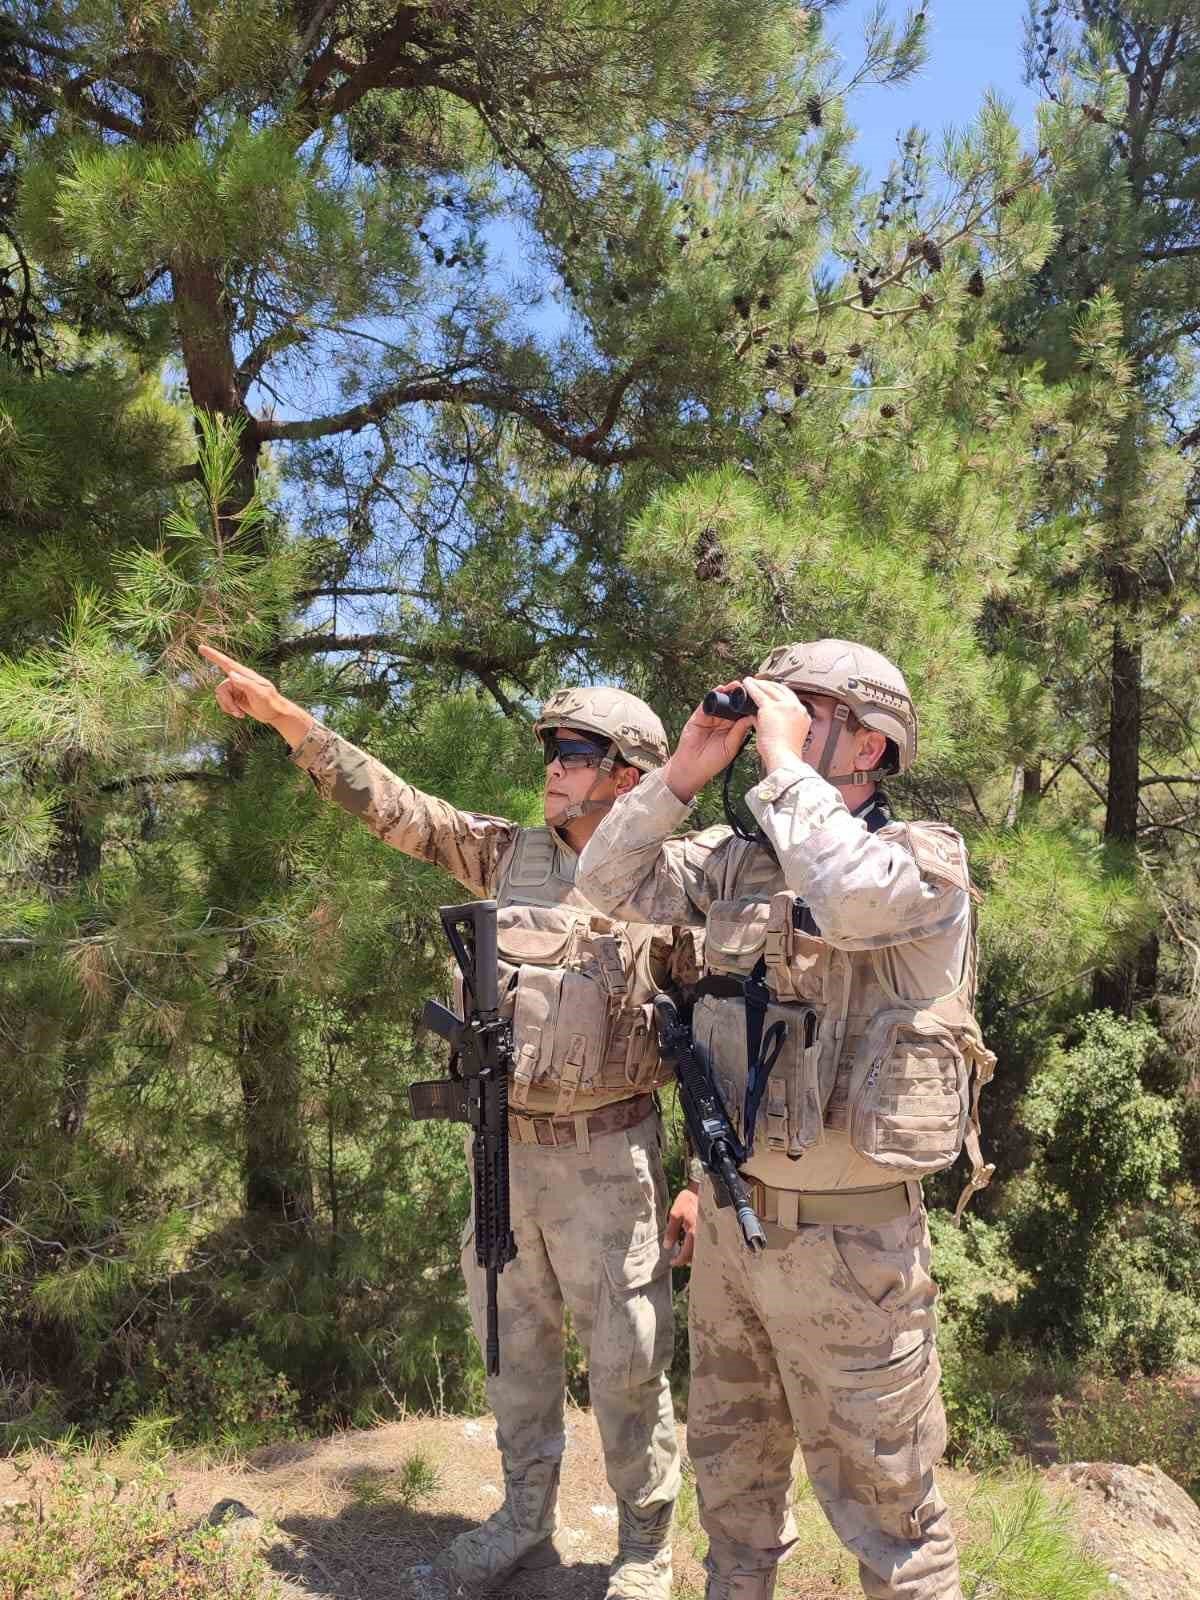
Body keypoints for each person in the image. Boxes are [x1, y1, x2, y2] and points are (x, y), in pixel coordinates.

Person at [200, 646, 686, 1600]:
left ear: (629, 775)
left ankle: (644, 1543)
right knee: (513, 1345)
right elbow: (400, 810)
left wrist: (710, 1183)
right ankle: (521, 1517)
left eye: (576, 750)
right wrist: (288, 719)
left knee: (628, 1359)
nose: (553, 763)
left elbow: (717, 1032)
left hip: (610, 1157)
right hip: (505, 1149)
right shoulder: (511, 854)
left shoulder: (673, 882)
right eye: (551, 746)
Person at [576, 640, 996, 1600]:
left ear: (870, 747)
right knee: (734, 1503)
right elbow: (600, 885)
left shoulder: (924, 864)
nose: (784, 722)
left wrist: (781, 761)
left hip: (858, 1257)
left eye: (811, 711)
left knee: (894, 1522)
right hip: (733, 1233)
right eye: (782, 708)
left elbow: (847, 897)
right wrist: (681, 772)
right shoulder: (732, 866)